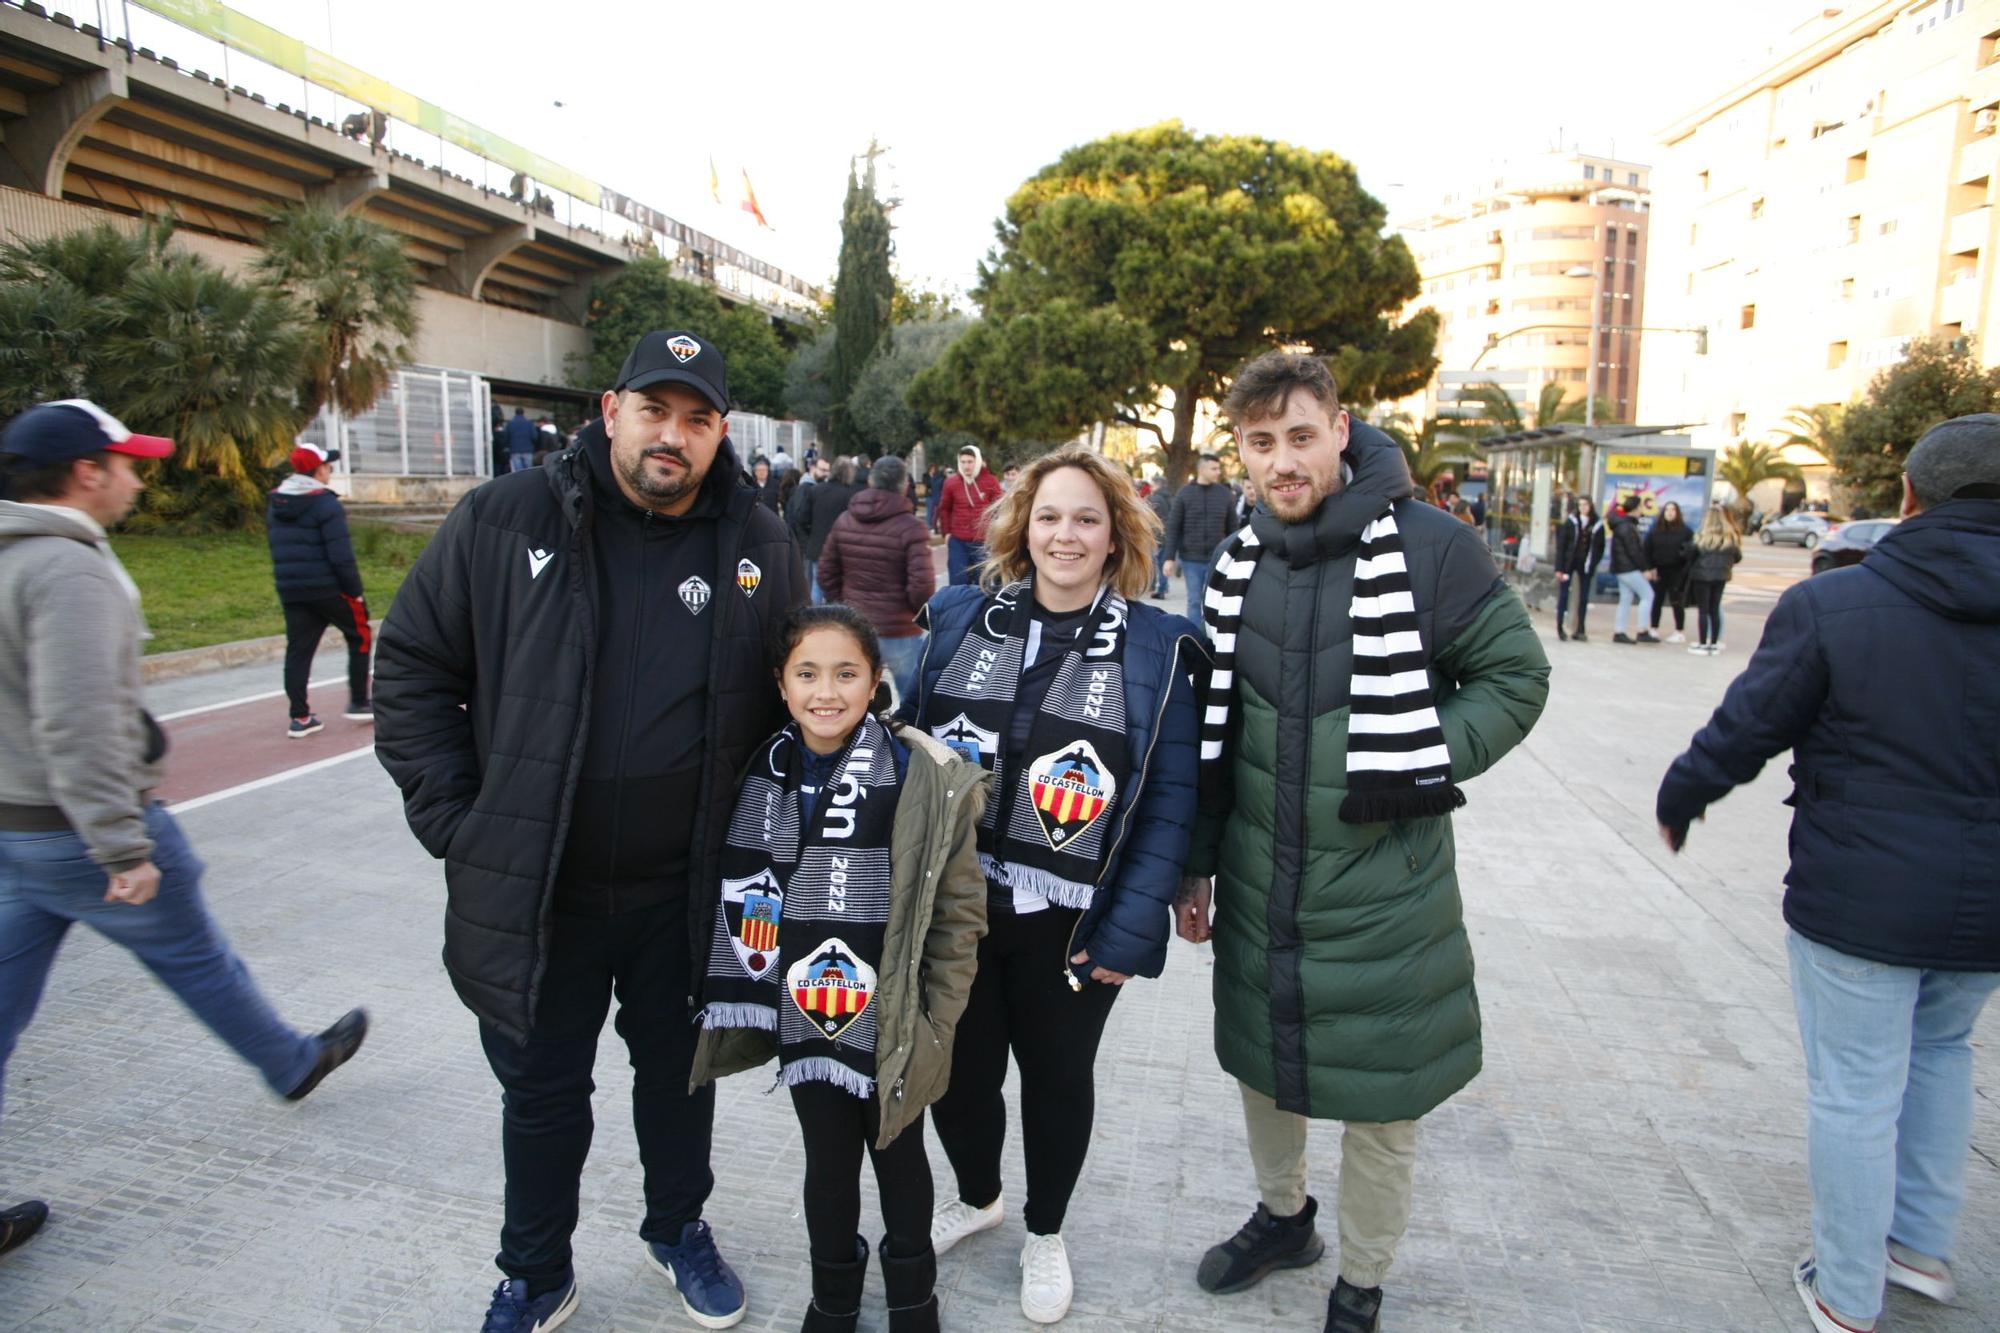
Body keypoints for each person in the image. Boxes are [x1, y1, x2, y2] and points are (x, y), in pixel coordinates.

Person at [373, 330, 803, 1332]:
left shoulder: (758, 541)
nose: (674, 437)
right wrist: (461, 823)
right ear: (609, 411)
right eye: (655, 411)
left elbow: (798, 702)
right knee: (541, 1088)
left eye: (696, 419)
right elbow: (410, 668)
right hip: (540, 887)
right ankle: (535, 1271)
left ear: (718, 432)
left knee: (677, 1081)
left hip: (682, 890)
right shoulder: (504, 516)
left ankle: (675, 1226)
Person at [1176, 353, 1549, 1333]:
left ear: (1340, 429)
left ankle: (1363, 1281)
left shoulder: (1431, 546)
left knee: (1382, 1097)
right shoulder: (1233, 560)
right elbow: (1207, 733)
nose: (1280, 462)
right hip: (1261, 878)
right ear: (1241, 452)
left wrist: (1416, 764)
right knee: (1265, 1065)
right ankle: (1281, 1217)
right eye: (1260, 443)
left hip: (1386, 886)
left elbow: (1515, 679)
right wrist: (1195, 864)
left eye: (1299, 436)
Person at [0, 400, 369, 1258]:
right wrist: (121, 844)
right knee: (196, 954)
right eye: (126, 463)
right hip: (83, 830)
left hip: (14, 832)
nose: (136, 476)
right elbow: (81, 721)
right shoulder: (69, 570)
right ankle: (288, 1060)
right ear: (86, 472)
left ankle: (286, 1057)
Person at [1655, 414, 2000, 1333]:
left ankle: (1848, 1293)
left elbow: (1751, 725)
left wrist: (1684, 792)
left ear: (1909, 497)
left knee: (1856, 1084)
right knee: (1941, 1051)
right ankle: (1918, 1250)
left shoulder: (1837, 604)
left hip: (1862, 900)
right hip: (1988, 910)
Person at [902, 445, 1204, 1325]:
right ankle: (982, 1192)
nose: (1064, 534)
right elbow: (911, 747)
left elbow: (1169, 799)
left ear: (1116, 537)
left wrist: (1127, 932)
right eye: (1048, 517)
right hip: (960, 904)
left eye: (1085, 518)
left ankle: (1046, 1228)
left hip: (1072, 918)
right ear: (1019, 528)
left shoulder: (1160, 645)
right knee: (959, 1074)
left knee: (1057, 1076)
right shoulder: (961, 616)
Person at [692, 604, 989, 1333]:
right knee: (827, 1161)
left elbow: (958, 915)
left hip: (892, 1015)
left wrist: (937, 1022)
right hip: (804, 1008)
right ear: (783, 685)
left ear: (875, 680)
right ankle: (835, 1294)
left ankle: (914, 1295)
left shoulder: (924, 774)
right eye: (808, 674)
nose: (827, 691)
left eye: (846, 673)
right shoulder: (758, 773)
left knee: (900, 1155)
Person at [266, 441, 372, 738]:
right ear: (318, 469)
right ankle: (359, 702)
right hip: (329, 588)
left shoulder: (277, 502)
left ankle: (299, 716)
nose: (329, 471)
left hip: (291, 589)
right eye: (328, 466)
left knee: (298, 650)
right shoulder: (325, 503)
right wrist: (355, 591)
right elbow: (341, 555)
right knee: (360, 634)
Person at [818, 457, 935, 709]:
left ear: (871, 480)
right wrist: (914, 612)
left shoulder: (845, 520)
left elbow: (826, 573)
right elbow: (922, 587)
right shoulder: (911, 527)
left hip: (855, 626)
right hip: (900, 628)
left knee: (853, 699)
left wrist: (844, 605)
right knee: (914, 701)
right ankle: (908, 746)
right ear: (904, 486)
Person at [1163, 452, 1236, 624]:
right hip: (1191, 559)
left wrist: (1236, 556)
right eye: (1214, 468)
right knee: (1195, 601)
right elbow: (1173, 528)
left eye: (1219, 468)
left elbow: (1233, 529)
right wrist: (1168, 558)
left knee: (1217, 602)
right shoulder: (1185, 494)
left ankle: (1214, 639)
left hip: (1218, 559)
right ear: (1202, 470)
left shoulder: (1225, 494)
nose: (1218, 472)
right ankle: (1196, 640)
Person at [934, 445, 1004, 586]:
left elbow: (1000, 508)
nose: (966, 466)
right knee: (958, 581)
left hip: (982, 541)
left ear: (977, 461)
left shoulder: (990, 481)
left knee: (982, 582)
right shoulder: (951, 482)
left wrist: (997, 532)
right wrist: (946, 532)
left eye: (970, 462)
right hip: (958, 540)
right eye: (963, 462)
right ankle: (957, 608)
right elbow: (944, 509)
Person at [797, 458, 862, 603]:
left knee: (817, 585)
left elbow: (802, 518)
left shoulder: (815, 490)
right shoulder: (851, 495)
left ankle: (814, 620)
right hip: (843, 548)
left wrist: (810, 535)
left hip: (817, 545)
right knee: (839, 586)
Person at [1683, 505, 1741, 656]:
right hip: (1721, 577)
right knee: (1714, 609)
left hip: (1701, 576)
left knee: (1703, 610)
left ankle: (1702, 644)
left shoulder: (1702, 537)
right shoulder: (1730, 538)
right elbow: (1737, 557)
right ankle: (1714, 644)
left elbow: (1690, 555)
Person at [1607, 494, 1659, 644]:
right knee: (1648, 595)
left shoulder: (1621, 524)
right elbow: (1634, 551)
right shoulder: (1627, 527)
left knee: (1625, 599)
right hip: (1629, 568)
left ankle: (1619, 631)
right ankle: (1642, 630)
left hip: (1621, 568)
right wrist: (1645, 569)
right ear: (1635, 508)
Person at [1553, 496, 1605, 642]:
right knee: (1564, 595)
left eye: (1585, 505)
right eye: (1580, 505)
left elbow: (1600, 548)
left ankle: (1580, 628)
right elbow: (1562, 546)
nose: (1583, 507)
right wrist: (1559, 568)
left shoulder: (1597, 524)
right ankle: (1560, 627)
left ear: (1591, 506)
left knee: (1584, 597)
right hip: (1569, 564)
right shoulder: (1571, 522)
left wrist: (1593, 562)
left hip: (1586, 564)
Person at [1644, 500, 1695, 643]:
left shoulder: (1685, 531)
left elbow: (1690, 552)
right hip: (1659, 571)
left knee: (1676, 601)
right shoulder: (1655, 530)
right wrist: (1650, 567)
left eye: (1673, 510)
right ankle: (1653, 628)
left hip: (1676, 571)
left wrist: (1684, 569)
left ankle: (1679, 630)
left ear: (1677, 513)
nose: (1670, 512)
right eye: (1667, 510)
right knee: (1657, 600)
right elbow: (1647, 550)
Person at [1145, 480, 1173, 597]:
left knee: (1155, 562)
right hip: (1168, 532)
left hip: (1157, 533)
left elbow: (1148, 516)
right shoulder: (1170, 498)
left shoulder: (1154, 499)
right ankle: (1164, 586)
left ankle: (1158, 588)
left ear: (1157, 485)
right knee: (1163, 561)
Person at [504, 406, 537, 473]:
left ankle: (521, 483)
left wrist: (508, 446)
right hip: (528, 449)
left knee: (518, 472)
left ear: (515, 413)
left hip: (514, 449)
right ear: (523, 413)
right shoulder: (529, 423)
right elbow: (534, 436)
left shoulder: (510, 424)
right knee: (529, 471)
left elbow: (506, 437)